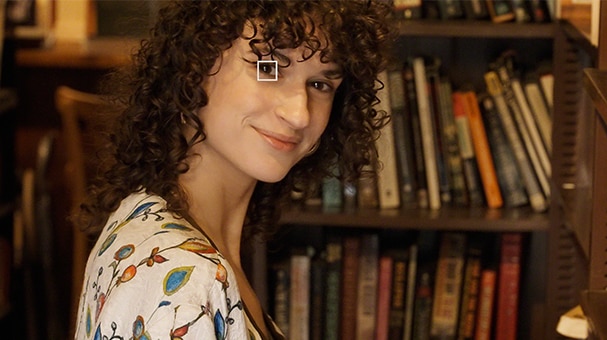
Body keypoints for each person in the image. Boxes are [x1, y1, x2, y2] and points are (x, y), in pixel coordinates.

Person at [73, 1, 395, 339]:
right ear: (193, 64)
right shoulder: (183, 283)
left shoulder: (148, 215)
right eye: (269, 67)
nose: (300, 114)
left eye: (320, 85)